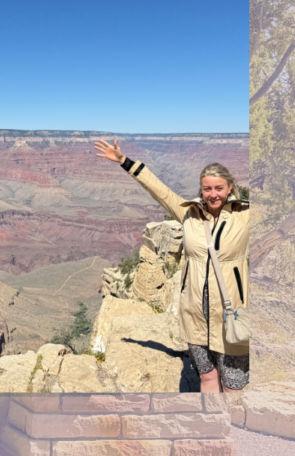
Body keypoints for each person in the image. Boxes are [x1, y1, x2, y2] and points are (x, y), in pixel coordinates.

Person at [95, 138, 249, 392]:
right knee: (208, 377)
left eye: (219, 188)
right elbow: (160, 190)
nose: (213, 194)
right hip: (195, 312)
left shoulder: (244, 216)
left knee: (233, 384)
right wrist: (124, 162)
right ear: (201, 190)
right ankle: (212, 427)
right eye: (207, 188)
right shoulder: (188, 213)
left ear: (230, 187)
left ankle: (237, 430)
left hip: (231, 313)